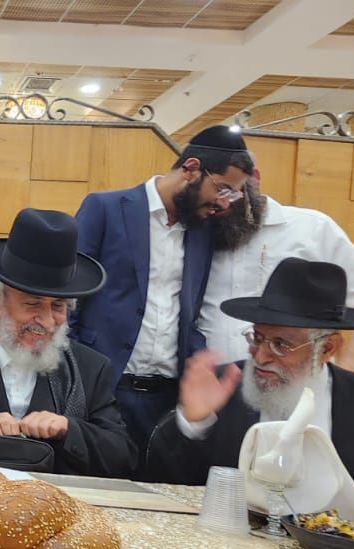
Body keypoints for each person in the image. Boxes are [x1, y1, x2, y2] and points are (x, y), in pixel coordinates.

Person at [142, 258, 354, 492]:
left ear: (327, 348)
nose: (261, 356)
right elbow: (161, 484)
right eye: (257, 338)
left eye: (281, 345)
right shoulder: (222, 387)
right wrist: (194, 423)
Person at [0, 209, 136, 478]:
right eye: (32, 304)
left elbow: (122, 456)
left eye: (58, 306)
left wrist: (69, 429)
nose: (47, 322)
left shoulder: (92, 368)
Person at [70, 124, 252, 456]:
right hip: (103, 389)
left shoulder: (202, 232)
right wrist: (75, 373)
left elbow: (188, 314)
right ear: (191, 168)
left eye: (233, 195)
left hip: (167, 397)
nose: (224, 204)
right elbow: (68, 299)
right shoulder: (106, 209)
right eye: (223, 189)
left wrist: (202, 367)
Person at [201, 175, 354, 373]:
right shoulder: (194, 234)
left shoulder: (312, 228)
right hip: (208, 385)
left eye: (228, 190)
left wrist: (347, 375)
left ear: (254, 177)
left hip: (298, 384)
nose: (220, 201)